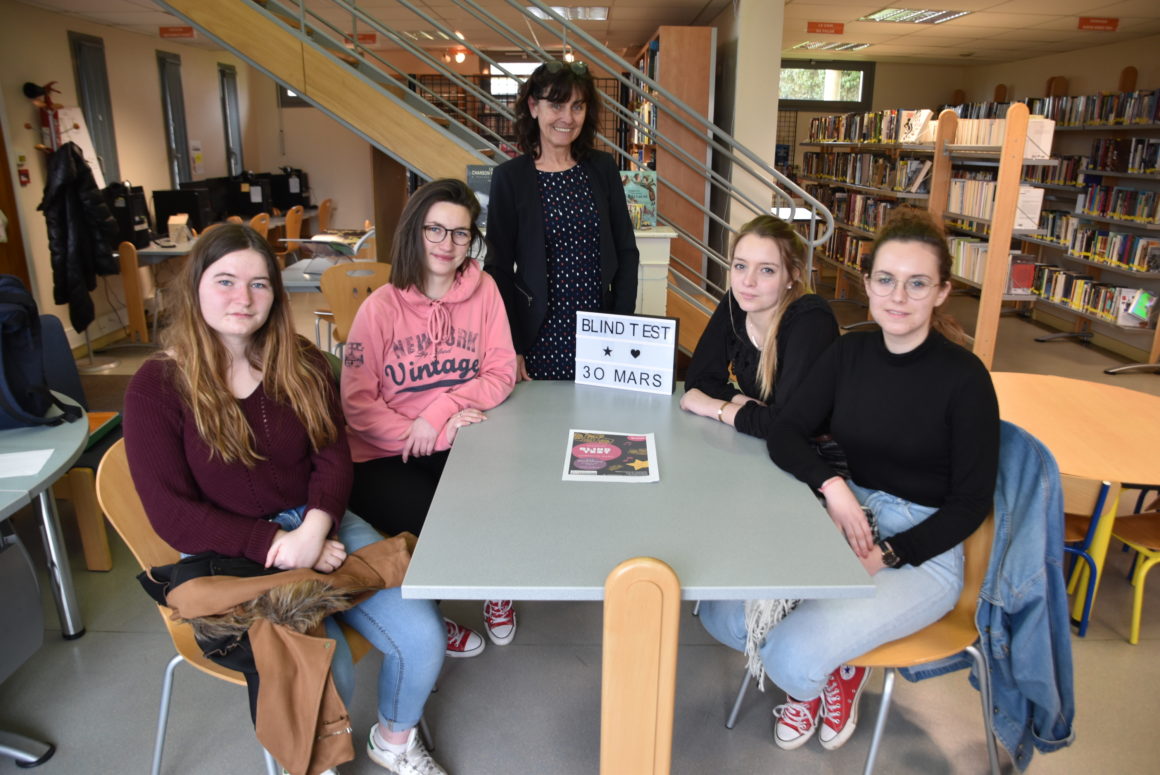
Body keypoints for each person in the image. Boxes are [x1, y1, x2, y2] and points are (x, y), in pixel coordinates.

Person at [122, 224, 448, 775]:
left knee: (423, 637)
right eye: (225, 281)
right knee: (325, 669)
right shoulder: (156, 387)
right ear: (196, 286)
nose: (243, 298)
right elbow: (173, 515)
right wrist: (281, 545)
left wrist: (315, 530)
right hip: (230, 551)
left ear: (275, 293)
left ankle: (393, 741)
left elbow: (333, 456)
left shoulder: (301, 360)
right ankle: (318, 766)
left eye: (259, 284)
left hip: (320, 521)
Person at [699, 207, 1000, 753]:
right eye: (885, 279)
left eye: (917, 283)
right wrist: (834, 488)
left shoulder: (965, 378)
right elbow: (787, 432)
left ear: (941, 291)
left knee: (791, 654)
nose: (898, 296)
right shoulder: (850, 352)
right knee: (724, 617)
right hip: (847, 510)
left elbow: (972, 502)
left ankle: (833, 675)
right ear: (867, 283)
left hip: (924, 547)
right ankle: (832, 652)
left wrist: (887, 554)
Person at [343, 179, 518, 658]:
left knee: (507, 493)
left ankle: (496, 583)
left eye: (460, 233)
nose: (447, 244)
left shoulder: (486, 291)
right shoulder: (379, 307)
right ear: (415, 231)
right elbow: (357, 405)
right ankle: (430, 621)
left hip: (458, 434)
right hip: (384, 452)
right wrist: (422, 432)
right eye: (435, 230)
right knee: (433, 524)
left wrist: (439, 414)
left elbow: (501, 371)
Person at [485, 59, 639, 381]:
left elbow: (626, 251)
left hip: (602, 331)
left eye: (577, 106)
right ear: (533, 107)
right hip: (537, 335)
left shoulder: (603, 168)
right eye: (556, 105)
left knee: (597, 413)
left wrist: (622, 325)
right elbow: (498, 269)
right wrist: (511, 344)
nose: (568, 118)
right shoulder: (510, 178)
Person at [680, 214, 838, 437]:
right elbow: (700, 379)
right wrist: (748, 405)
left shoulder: (812, 321)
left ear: (792, 276)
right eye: (740, 266)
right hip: (764, 445)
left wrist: (713, 407)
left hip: (824, 450)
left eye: (767, 270)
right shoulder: (736, 303)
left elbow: (789, 424)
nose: (748, 281)